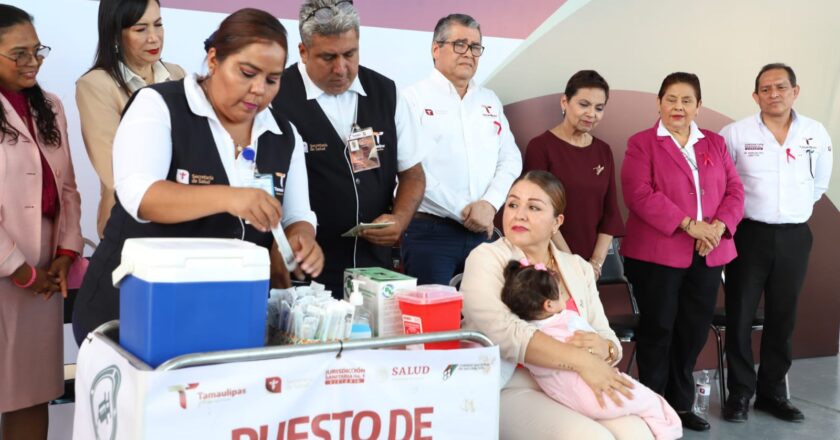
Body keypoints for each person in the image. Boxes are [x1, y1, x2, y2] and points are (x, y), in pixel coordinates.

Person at [73, 8, 323, 345]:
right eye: (247, 73)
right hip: (134, 310)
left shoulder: (282, 133)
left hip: (224, 311)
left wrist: (301, 238)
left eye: (272, 79)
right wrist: (231, 197)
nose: (258, 90)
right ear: (214, 59)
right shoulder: (160, 105)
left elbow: (297, 214)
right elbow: (140, 196)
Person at [462, 170, 655, 440]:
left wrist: (606, 349)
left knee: (639, 432)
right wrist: (582, 361)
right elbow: (501, 332)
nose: (519, 214)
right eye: (513, 204)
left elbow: (604, 333)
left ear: (557, 222)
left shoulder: (578, 268)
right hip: (511, 383)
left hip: (576, 381)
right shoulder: (486, 257)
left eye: (533, 207)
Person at [272, 0, 425, 296]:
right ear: (303, 52)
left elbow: (413, 173)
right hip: (302, 275)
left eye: (349, 54)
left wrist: (401, 218)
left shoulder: (386, 92)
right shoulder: (276, 97)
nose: (341, 68)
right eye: (328, 57)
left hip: (373, 273)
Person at [621, 72, 744, 431]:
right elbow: (639, 194)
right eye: (671, 99)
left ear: (698, 106)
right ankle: (651, 407)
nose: (678, 107)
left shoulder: (715, 144)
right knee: (658, 328)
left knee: (692, 330)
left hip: (708, 253)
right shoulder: (642, 143)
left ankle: (681, 404)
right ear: (659, 102)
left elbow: (735, 191)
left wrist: (718, 227)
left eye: (686, 100)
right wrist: (691, 226)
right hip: (658, 255)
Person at [719, 63, 833, 423]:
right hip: (748, 234)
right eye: (765, 89)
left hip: (794, 236)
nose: (774, 94)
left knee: (783, 317)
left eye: (781, 87)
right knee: (740, 315)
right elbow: (726, 186)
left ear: (795, 91)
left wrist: (789, 212)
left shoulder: (815, 133)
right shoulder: (735, 134)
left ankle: (771, 394)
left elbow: (819, 185)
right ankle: (739, 394)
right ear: (756, 96)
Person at [0, 5, 84, 438]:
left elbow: (67, 187)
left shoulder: (50, 105)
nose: (32, 61)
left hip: (43, 278)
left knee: (31, 393)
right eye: (19, 53)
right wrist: (19, 269)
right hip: (12, 269)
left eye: (37, 51)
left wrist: (65, 257)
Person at [400, 13, 521, 285]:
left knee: (484, 320)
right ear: (436, 49)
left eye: (475, 46)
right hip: (430, 233)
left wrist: (489, 205)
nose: (469, 53)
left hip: (483, 233)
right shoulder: (412, 98)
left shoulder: (489, 100)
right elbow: (410, 168)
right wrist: (466, 211)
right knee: (436, 322)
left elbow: (510, 158)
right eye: (460, 44)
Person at [501, 260, 682, 440]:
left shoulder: (574, 269)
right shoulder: (567, 320)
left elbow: (607, 338)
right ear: (549, 305)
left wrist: (607, 348)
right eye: (561, 293)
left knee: (637, 433)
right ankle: (670, 431)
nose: (564, 296)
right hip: (592, 390)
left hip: (565, 394)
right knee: (651, 403)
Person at [76, 0, 186, 238]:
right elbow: (114, 170)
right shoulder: (96, 85)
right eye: (140, 29)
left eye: (158, 25)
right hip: (128, 221)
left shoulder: (178, 74)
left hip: (183, 218)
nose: (154, 37)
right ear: (115, 34)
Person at [523, 70, 623, 277]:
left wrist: (595, 264)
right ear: (564, 102)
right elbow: (538, 212)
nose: (591, 114)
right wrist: (570, 262)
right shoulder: (541, 147)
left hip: (590, 266)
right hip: (548, 260)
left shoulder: (603, 150)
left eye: (599, 108)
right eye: (583, 104)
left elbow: (611, 212)